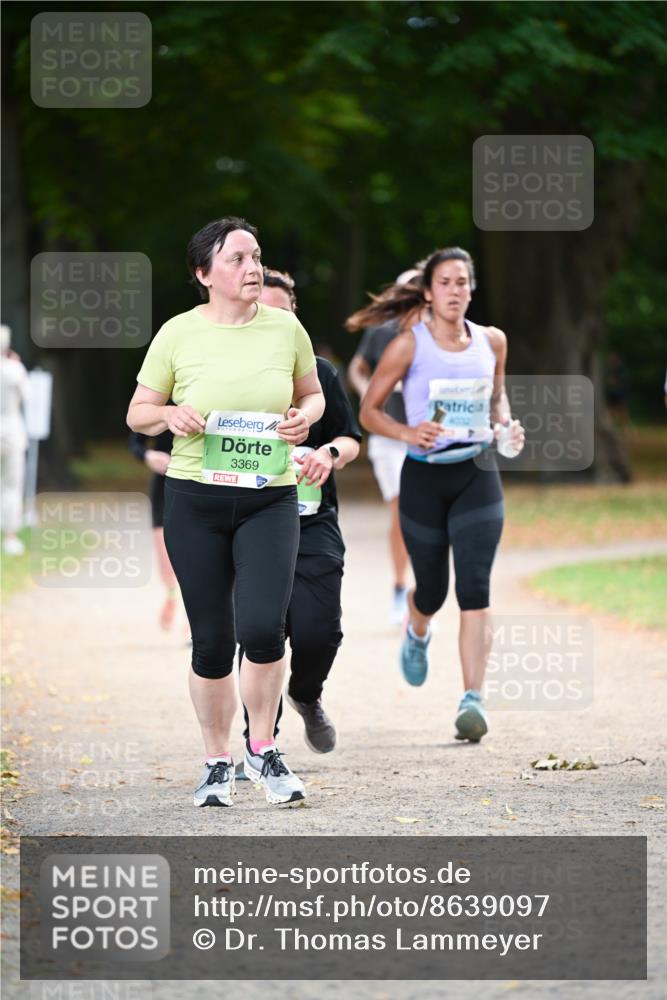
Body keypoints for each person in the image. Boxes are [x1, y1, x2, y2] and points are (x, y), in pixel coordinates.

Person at [126, 217, 325, 807]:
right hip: (196, 500)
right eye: (236, 259)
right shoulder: (177, 334)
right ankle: (217, 763)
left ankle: (262, 750)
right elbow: (138, 412)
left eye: (256, 256)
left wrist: (305, 417)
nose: (251, 268)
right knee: (212, 640)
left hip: (270, 498)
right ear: (203, 273)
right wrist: (169, 417)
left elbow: (311, 392)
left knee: (265, 629)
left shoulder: (286, 328)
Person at [355, 248, 525, 742]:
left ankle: (473, 699)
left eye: (462, 282)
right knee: (432, 590)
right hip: (425, 479)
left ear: (472, 289)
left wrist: (505, 427)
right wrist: (410, 434)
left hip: (477, 472)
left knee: (474, 587)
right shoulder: (409, 345)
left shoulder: (492, 341)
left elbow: (497, 397)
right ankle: (418, 628)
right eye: (445, 282)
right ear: (428, 292)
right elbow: (369, 411)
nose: (455, 290)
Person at [238, 268, 361, 755]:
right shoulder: (229, 376)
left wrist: (326, 454)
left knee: (318, 631)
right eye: (261, 312)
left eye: (281, 312)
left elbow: (350, 439)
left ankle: (306, 695)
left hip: (311, 522)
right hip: (247, 519)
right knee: (259, 632)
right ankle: (259, 740)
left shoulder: (322, 374)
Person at [347, 269, 421, 625]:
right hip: (390, 439)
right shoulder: (382, 333)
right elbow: (357, 368)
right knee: (403, 509)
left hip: (427, 437)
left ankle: (422, 592)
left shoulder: (437, 335)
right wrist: (369, 393)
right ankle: (400, 588)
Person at [128, 411, 180, 630]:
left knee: (203, 552)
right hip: (165, 480)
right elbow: (135, 440)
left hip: (203, 481)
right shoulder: (163, 396)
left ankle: (193, 619)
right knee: (164, 554)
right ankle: (171, 593)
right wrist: (148, 456)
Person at [0, 324, 29, 556]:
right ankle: (10, 536)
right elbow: (28, 395)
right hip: (11, 430)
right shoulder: (14, 369)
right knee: (12, 484)